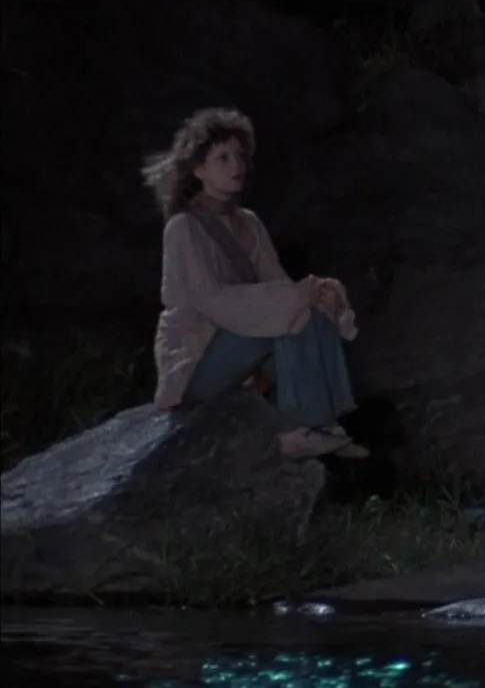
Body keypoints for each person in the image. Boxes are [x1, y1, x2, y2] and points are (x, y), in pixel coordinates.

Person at [141, 107, 369, 459]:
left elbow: (277, 283)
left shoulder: (249, 223)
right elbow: (212, 300)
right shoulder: (183, 228)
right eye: (223, 158)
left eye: (239, 156)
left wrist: (315, 294)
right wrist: (293, 298)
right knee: (289, 312)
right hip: (197, 362)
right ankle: (298, 429)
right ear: (199, 169)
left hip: (241, 347)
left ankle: (324, 424)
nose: (236, 165)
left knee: (310, 311)